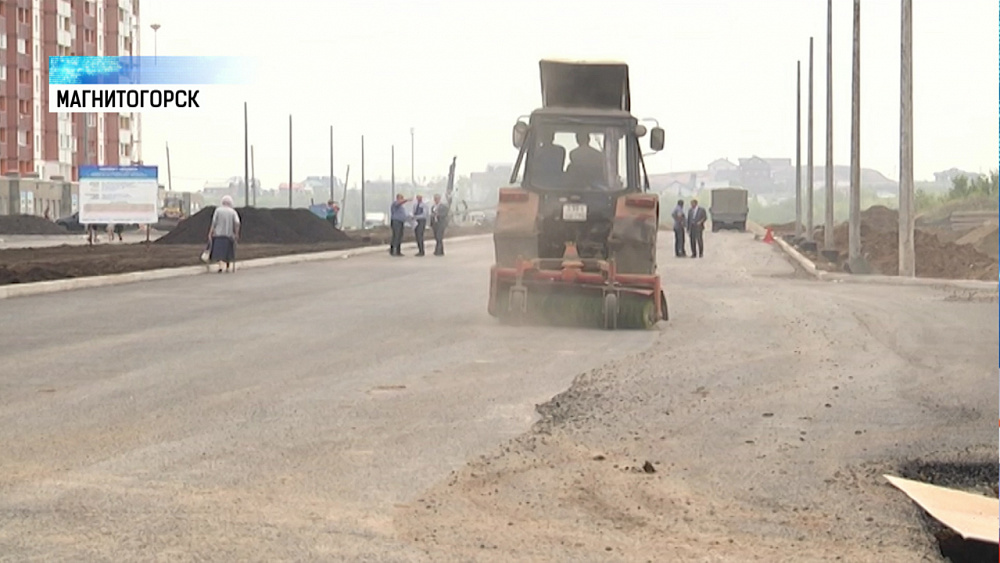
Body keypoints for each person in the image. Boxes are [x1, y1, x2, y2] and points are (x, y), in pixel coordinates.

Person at [208, 195, 241, 272]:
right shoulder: (233, 212)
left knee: (219, 252)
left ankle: (220, 266)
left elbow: (214, 222)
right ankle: (227, 266)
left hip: (218, 235)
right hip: (229, 236)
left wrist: (210, 232)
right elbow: (237, 223)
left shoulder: (218, 210)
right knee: (228, 252)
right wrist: (236, 233)